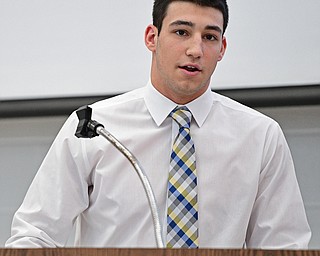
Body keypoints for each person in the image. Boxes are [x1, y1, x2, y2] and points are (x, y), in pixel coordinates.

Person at [6, 0, 311, 249]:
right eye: (182, 32)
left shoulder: (260, 136)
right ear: (152, 38)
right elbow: (35, 235)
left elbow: (284, 246)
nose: (196, 50)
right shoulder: (94, 126)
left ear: (222, 48)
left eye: (209, 37)